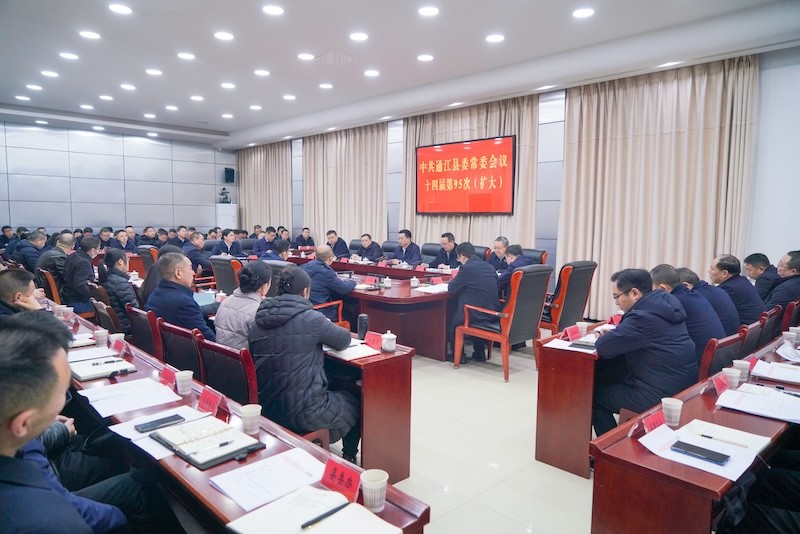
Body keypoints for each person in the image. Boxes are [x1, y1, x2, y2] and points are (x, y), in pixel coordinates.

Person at [0, 312, 185, 533]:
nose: (63, 401)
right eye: (60, 393)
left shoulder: (16, 439)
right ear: (24, 423)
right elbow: (65, 505)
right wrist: (118, 518)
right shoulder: (47, 521)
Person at [249, 266, 361, 463]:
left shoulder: (258, 319)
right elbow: (343, 339)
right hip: (305, 412)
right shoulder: (312, 319)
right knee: (356, 400)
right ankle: (349, 458)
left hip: (267, 407)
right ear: (306, 291)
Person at [592, 269, 697, 436]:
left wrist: (607, 337)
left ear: (634, 293)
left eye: (617, 296)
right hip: (681, 386)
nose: (616, 303)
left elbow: (603, 347)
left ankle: (609, 445)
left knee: (593, 395)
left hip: (659, 394)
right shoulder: (664, 305)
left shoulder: (641, 318)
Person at [650, 264, 725, 364]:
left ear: (663, 289)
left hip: (701, 362)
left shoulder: (674, 303)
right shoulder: (694, 295)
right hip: (717, 357)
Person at [446, 242, 500, 363]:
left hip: (476, 313)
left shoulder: (466, 268)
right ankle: (479, 354)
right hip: (493, 311)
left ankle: (459, 357)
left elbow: (452, 289)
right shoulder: (489, 267)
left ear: (462, 256)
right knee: (474, 305)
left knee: (453, 325)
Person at [146, 252, 216, 341]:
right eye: (190, 268)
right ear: (178, 273)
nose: (193, 273)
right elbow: (208, 339)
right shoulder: (183, 302)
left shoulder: (155, 294)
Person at [214, 262, 272, 349]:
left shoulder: (226, 301)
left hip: (222, 355)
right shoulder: (258, 311)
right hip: (244, 356)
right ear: (264, 287)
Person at [677, 267, 741, 336]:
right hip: (729, 338)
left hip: (722, 338)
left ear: (686, 286)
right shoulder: (715, 290)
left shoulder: (696, 297)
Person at [301, 245, 356, 320]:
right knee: (350, 314)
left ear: (315, 256)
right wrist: (353, 281)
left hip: (305, 309)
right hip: (321, 311)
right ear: (330, 258)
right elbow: (345, 289)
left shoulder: (304, 267)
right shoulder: (326, 272)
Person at [709, 254, 766, 326]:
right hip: (756, 328)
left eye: (712, 269)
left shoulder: (728, 289)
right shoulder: (742, 281)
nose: (709, 271)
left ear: (724, 273)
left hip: (746, 329)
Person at [99, 249, 139, 334]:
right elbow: (134, 309)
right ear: (120, 262)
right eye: (127, 259)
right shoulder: (119, 282)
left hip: (118, 321)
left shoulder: (109, 277)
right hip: (126, 325)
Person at [61, 236, 100, 314]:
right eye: (98, 249)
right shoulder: (83, 262)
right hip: (76, 301)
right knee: (105, 309)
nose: (98, 251)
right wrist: (95, 296)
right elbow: (80, 285)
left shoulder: (73, 255)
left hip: (66, 294)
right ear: (92, 250)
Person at [764, 250, 800, 327]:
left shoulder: (785, 289)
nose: (777, 267)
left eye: (781, 265)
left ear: (793, 271)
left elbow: (767, 315)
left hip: (773, 329)